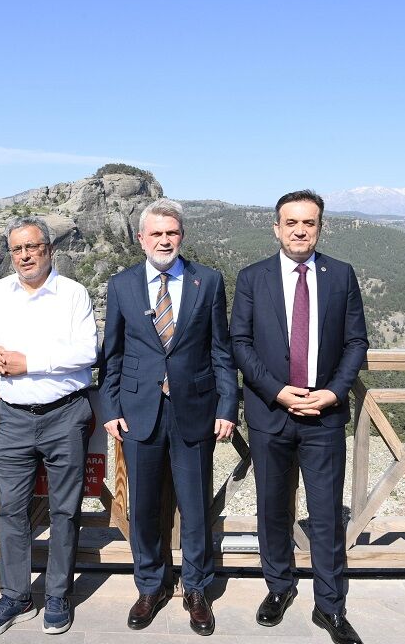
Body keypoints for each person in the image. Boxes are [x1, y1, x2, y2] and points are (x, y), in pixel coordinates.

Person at [230, 190, 368, 644]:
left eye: (308, 223)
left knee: (326, 512)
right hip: (272, 413)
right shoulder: (253, 278)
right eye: (291, 222)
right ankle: (278, 587)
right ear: (276, 227)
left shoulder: (341, 275)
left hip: (324, 417)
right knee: (273, 507)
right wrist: (277, 391)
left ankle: (329, 606)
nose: (299, 230)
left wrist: (331, 393)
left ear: (320, 227)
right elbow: (240, 343)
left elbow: (355, 344)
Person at [98, 198, 238, 636]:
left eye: (171, 233)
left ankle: (196, 590)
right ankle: (151, 586)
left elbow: (221, 350)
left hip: (195, 410)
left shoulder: (207, 282)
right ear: (141, 238)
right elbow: (113, 355)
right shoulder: (121, 285)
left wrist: (227, 406)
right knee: (142, 509)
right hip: (139, 413)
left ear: (182, 236)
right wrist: (110, 408)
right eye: (155, 233)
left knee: (195, 507)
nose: (164, 240)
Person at [0, 217, 97, 637]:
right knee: (10, 510)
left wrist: (31, 362)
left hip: (65, 414)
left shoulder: (73, 294)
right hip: (12, 417)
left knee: (65, 509)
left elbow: (87, 350)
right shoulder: (2, 292)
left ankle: (59, 594)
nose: (25, 255)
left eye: (33, 247)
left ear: (49, 248)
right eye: (17, 250)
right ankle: (15, 594)